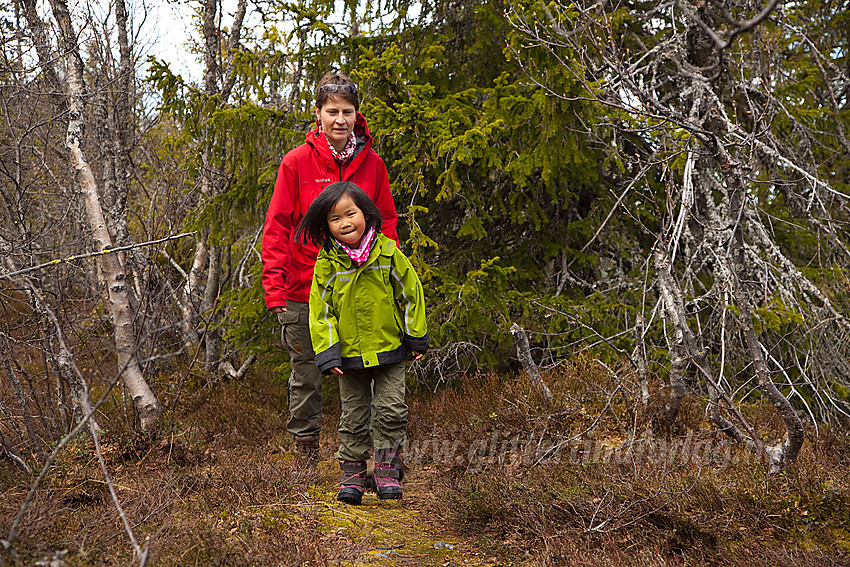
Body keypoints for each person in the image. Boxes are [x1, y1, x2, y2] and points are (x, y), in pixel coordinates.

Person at [261, 72, 399, 465]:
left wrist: (388, 272)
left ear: (358, 116)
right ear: (318, 114)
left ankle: (363, 459)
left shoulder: (372, 164)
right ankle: (306, 455)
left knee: (363, 375)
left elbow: (386, 221)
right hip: (304, 289)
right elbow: (277, 227)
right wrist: (274, 288)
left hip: (362, 288)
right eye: (332, 111)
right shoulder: (296, 163)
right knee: (306, 376)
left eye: (347, 112)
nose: (340, 119)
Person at [296, 181, 429, 504]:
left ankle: (386, 471)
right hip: (349, 358)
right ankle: (352, 475)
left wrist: (415, 337)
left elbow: (411, 295)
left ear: (366, 214)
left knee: (392, 410)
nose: (345, 223)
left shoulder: (387, 254)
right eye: (335, 218)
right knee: (353, 416)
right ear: (326, 226)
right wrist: (329, 355)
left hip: (390, 350)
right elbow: (321, 312)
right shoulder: (328, 264)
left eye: (350, 213)